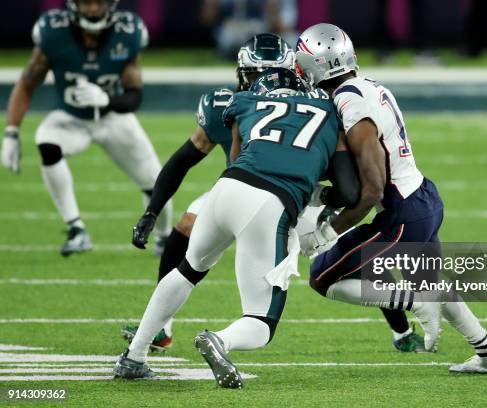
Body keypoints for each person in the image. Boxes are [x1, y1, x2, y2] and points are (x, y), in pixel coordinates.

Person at [113, 67, 360, 386]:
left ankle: (134, 356)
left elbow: (235, 156)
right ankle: (220, 341)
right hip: (271, 204)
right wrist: (318, 192)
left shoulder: (244, 102)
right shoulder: (329, 110)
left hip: (225, 190)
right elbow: (350, 191)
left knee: (187, 270)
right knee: (261, 323)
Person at [295, 23, 487, 374]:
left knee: (322, 277)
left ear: (313, 65)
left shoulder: (349, 102)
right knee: (433, 288)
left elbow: (373, 190)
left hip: (401, 212)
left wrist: (327, 232)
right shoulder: (369, 86)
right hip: (423, 197)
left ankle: (416, 302)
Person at [121, 32, 296, 351]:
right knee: (188, 226)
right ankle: (161, 327)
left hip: (301, 194)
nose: (263, 83)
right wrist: (152, 211)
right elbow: (183, 159)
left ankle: (407, 319)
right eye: (257, 74)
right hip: (245, 189)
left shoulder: (309, 106)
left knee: (336, 260)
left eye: (269, 74)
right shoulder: (226, 106)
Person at [0, 0, 172, 256]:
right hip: (71, 119)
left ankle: (165, 238)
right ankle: (76, 229)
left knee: (154, 181)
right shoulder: (53, 32)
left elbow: (134, 96)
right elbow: (26, 83)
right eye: (86, 3)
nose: (92, 9)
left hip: (113, 118)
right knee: (47, 140)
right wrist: (11, 132)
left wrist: (107, 99)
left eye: (98, 2)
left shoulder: (128, 31)